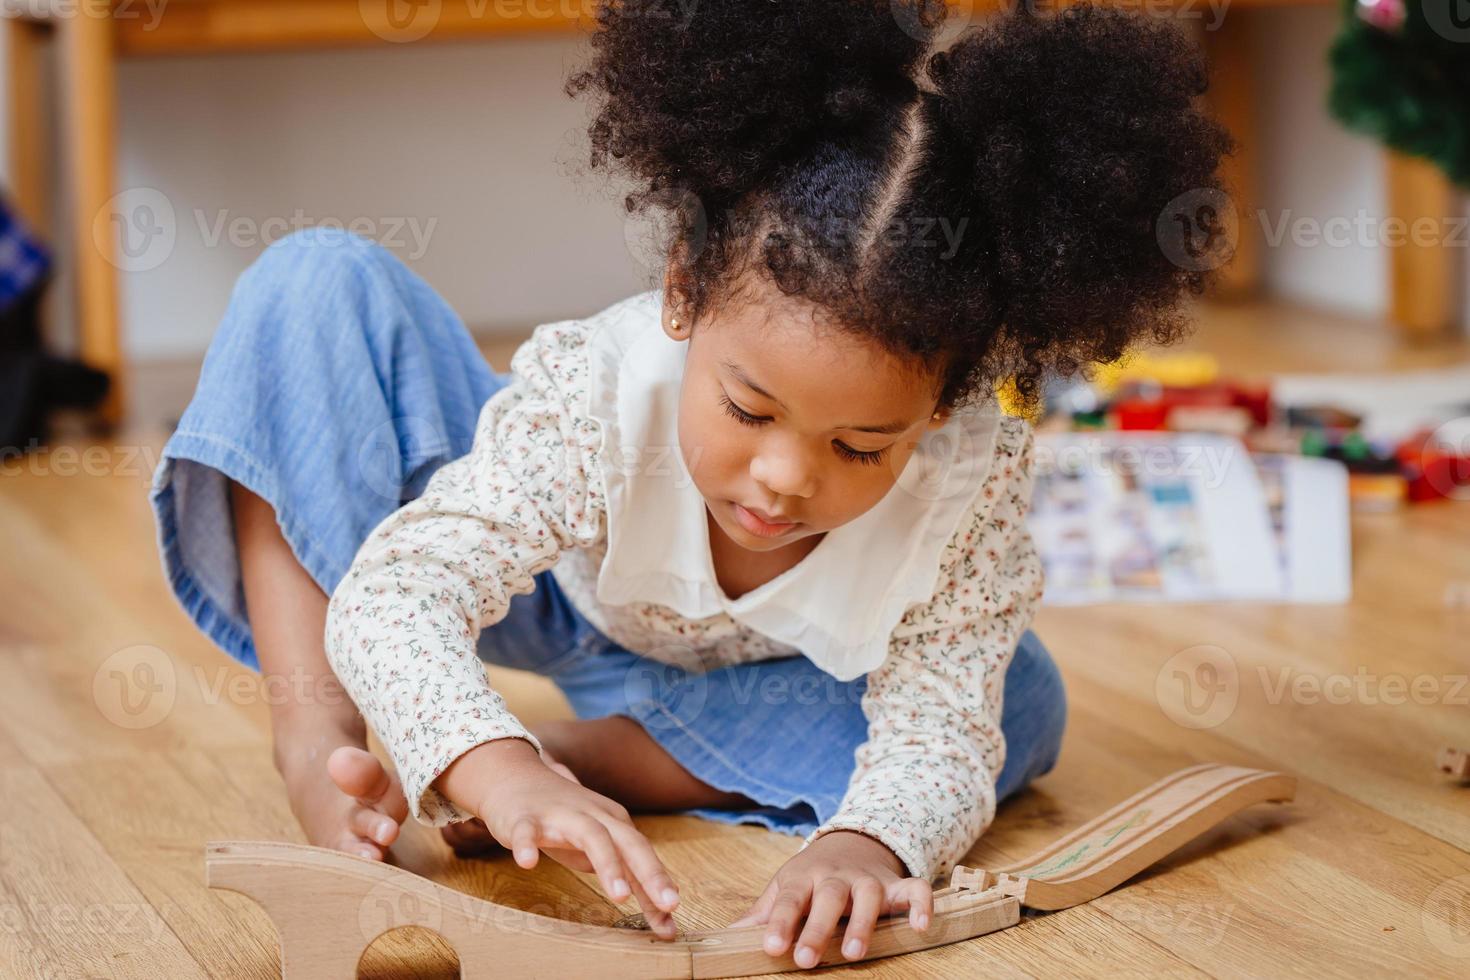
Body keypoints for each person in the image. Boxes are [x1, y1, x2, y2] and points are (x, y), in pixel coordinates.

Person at [149, 1, 1229, 967]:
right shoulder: (596, 388)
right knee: (312, 281)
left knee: (1019, 698)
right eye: (749, 408)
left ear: (941, 406)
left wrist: (867, 839)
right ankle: (319, 735)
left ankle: (595, 757)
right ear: (682, 291)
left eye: (862, 446)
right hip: (547, 583)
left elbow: (942, 727)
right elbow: (399, 589)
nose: (782, 477)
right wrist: (487, 760)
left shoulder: (972, 476)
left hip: (754, 674)